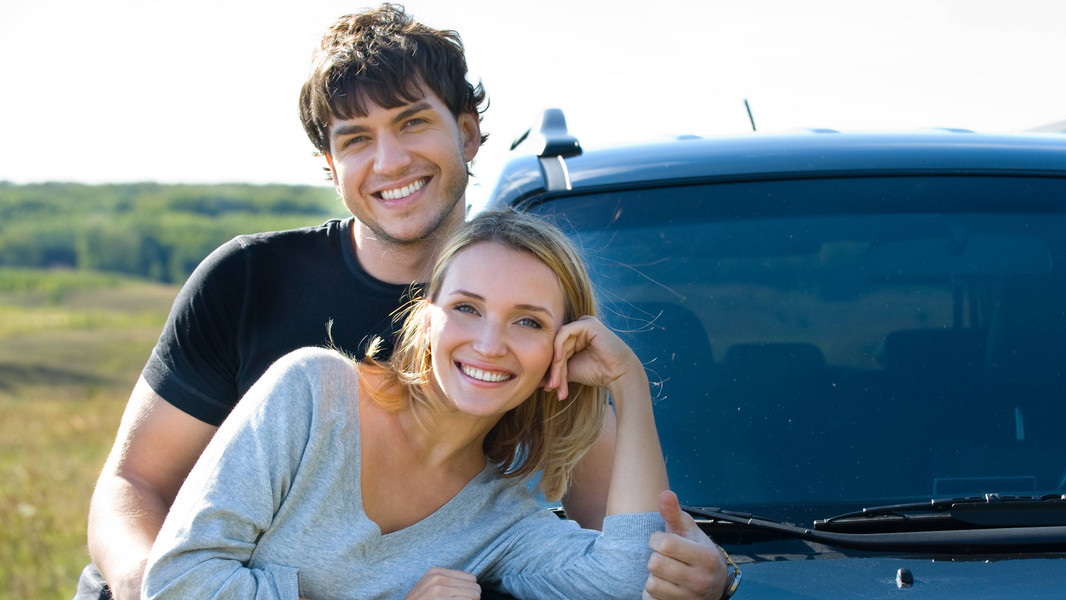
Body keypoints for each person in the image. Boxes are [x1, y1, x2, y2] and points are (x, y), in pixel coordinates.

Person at [78, 4, 730, 600]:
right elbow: (134, 486)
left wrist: (711, 571)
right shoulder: (251, 285)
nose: (390, 161)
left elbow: (627, 551)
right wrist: (146, 586)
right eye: (355, 138)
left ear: (469, 135)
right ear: (329, 165)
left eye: (412, 122)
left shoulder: (513, 354)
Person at [143, 209, 668, 599]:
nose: (489, 343)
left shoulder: (501, 518)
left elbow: (628, 579)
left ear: (561, 346)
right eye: (466, 308)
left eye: (528, 321)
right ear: (426, 316)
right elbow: (176, 584)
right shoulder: (311, 394)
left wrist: (629, 385)